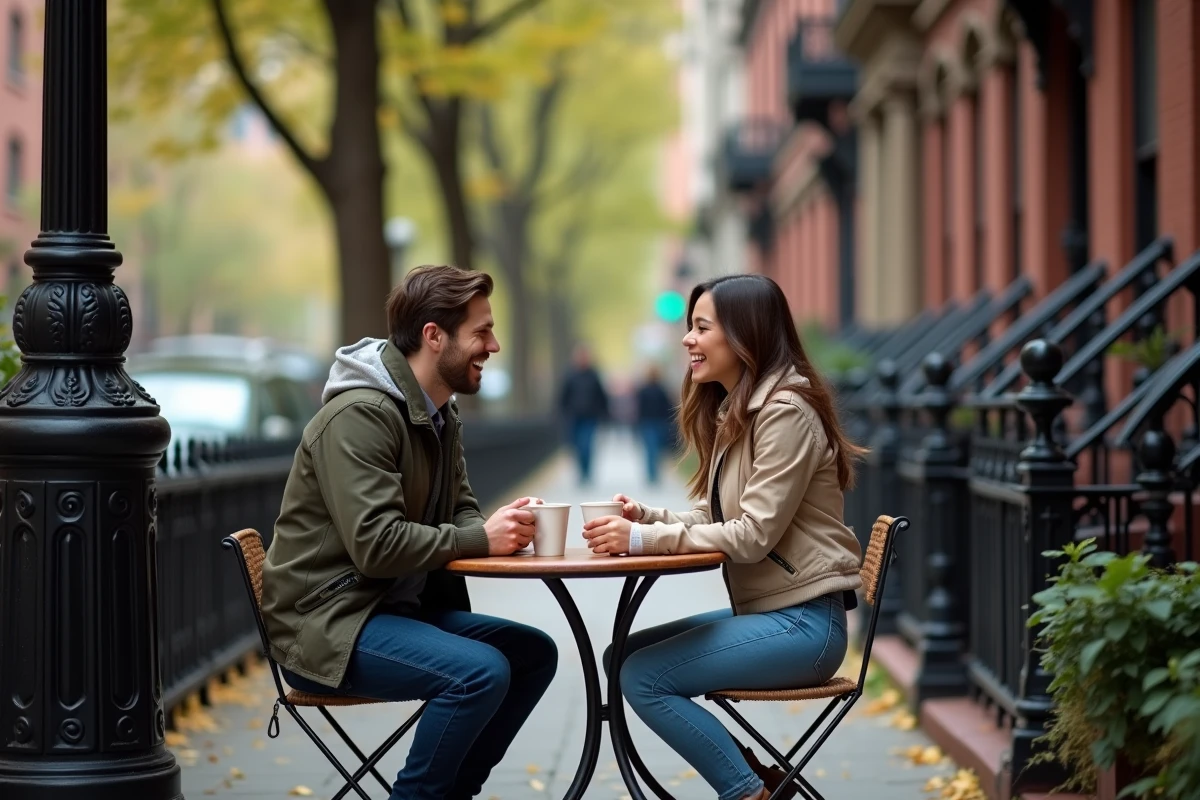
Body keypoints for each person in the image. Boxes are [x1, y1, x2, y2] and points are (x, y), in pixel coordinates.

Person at [260, 265, 558, 800]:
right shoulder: (360, 416)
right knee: (480, 673)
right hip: (329, 624)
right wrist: (479, 539)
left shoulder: (439, 413)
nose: (493, 344)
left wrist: (495, 528)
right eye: (481, 332)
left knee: (533, 653)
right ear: (433, 336)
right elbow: (376, 546)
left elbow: (463, 507)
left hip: (390, 611)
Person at [582, 274, 866, 800]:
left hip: (805, 626)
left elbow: (752, 534)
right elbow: (720, 513)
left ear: (744, 334)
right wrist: (645, 519)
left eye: (701, 327)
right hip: (773, 615)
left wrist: (641, 542)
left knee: (643, 675)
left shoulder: (784, 412)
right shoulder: (746, 409)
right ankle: (758, 782)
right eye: (690, 327)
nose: (688, 339)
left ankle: (745, 791)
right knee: (620, 656)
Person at [558, 344, 610, 484]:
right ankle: (581, 471)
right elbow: (563, 396)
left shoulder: (593, 375)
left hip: (590, 417)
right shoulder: (570, 375)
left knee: (587, 445)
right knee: (576, 446)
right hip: (574, 417)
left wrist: (605, 413)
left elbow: (601, 396)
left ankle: (587, 472)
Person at [634, 363, 675, 484]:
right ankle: (653, 473)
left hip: (648, 423)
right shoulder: (661, 389)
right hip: (657, 422)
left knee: (650, 449)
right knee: (655, 449)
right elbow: (668, 407)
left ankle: (652, 473)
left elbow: (639, 409)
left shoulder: (643, 390)